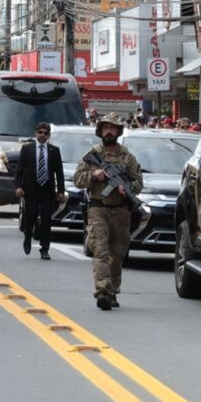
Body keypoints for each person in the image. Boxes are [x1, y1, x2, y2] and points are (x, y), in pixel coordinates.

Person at [74, 113, 143, 311]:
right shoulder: (92, 155)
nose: (109, 131)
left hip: (121, 211)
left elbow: (138, 182)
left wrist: (127, 188)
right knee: (100, 251)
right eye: (105, 128)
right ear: (100, 131)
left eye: (112, 128)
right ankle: (102, 291)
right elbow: (78, 180)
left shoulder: (128, 157)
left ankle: (112, 291)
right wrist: (94, 175)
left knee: (118, 253)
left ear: (118, 131)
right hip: (98, 209)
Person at [15, 122, 65, 260]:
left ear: (49, 136)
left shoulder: (54, 150)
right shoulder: (27, 149)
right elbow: (19, 169)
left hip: (47, 190)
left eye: (45, 133)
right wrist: (18, 186)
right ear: (35, 133)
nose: (42, 135)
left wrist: (61, 191)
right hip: (30, 189)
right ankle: (27, 238)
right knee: (30, 217)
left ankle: (44, 249)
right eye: (40, 132)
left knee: (46, 220)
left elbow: (59, 172)